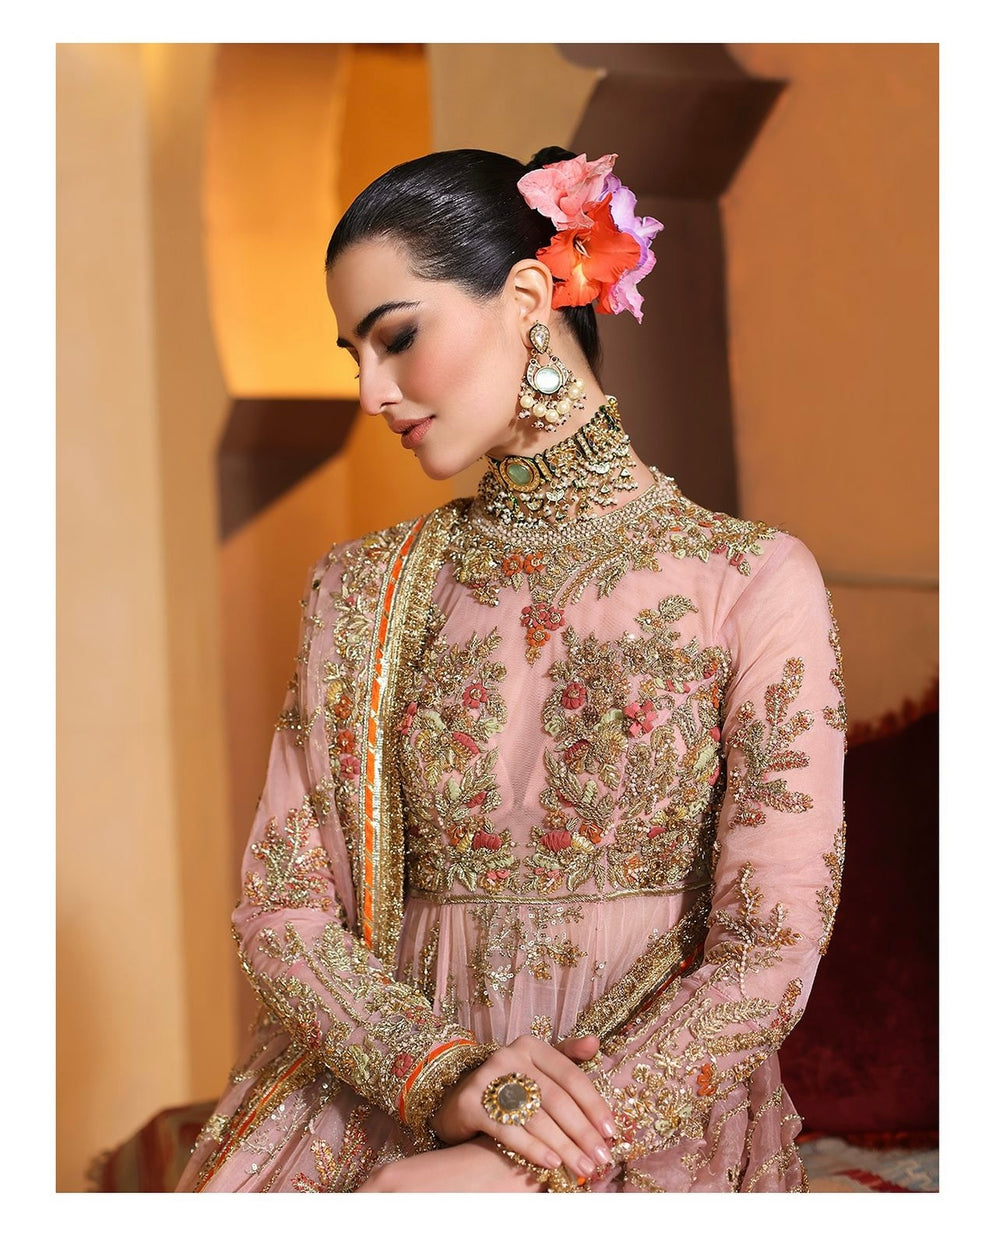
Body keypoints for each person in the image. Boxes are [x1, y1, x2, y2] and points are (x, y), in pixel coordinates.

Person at [175, 146, 846, 1194]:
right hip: (388, 1097)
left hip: (641, 1124)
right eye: (354, 356)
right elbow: (282, 913)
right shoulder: (360, 590)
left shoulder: (748, 580)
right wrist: (451, 1081)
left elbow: (769, 948)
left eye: (397, 338)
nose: (372, 391)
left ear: (529, 298)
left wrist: (522, 1160)